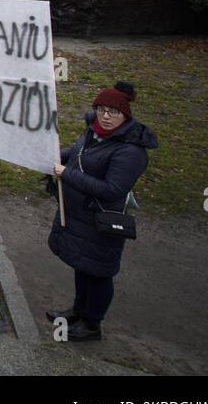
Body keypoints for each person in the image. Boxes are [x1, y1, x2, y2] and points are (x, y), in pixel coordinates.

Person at [47, 83, 155, 341]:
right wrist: (50, 156)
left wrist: (66, 173)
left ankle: (92, 324)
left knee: (98, 272)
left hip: (100, 219)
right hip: (81, 216)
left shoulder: (131, 151)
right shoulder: (94, 132)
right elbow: (76, 154)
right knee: (82, 266)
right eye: (102, 110)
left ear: (126, 115)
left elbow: (112, 189)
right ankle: (78, 310)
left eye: (113, 112)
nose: (106, 117)